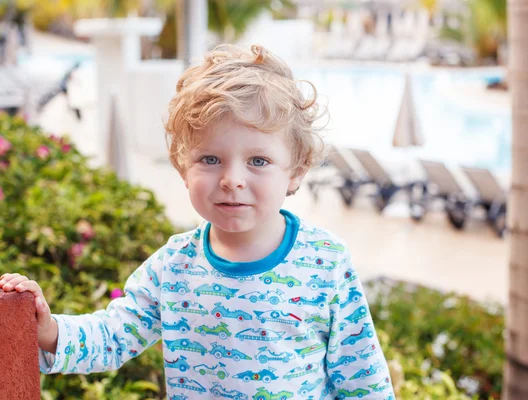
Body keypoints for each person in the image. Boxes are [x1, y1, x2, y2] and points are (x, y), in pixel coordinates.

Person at [0, 44, 395, 399]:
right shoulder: (173, 267)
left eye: (258, 161)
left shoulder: (324, 262)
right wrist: (49, 331)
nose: (232, 179)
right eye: (210, 159)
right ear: (183, 168)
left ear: (296, 171)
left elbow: (364, 379)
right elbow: (112, 335)